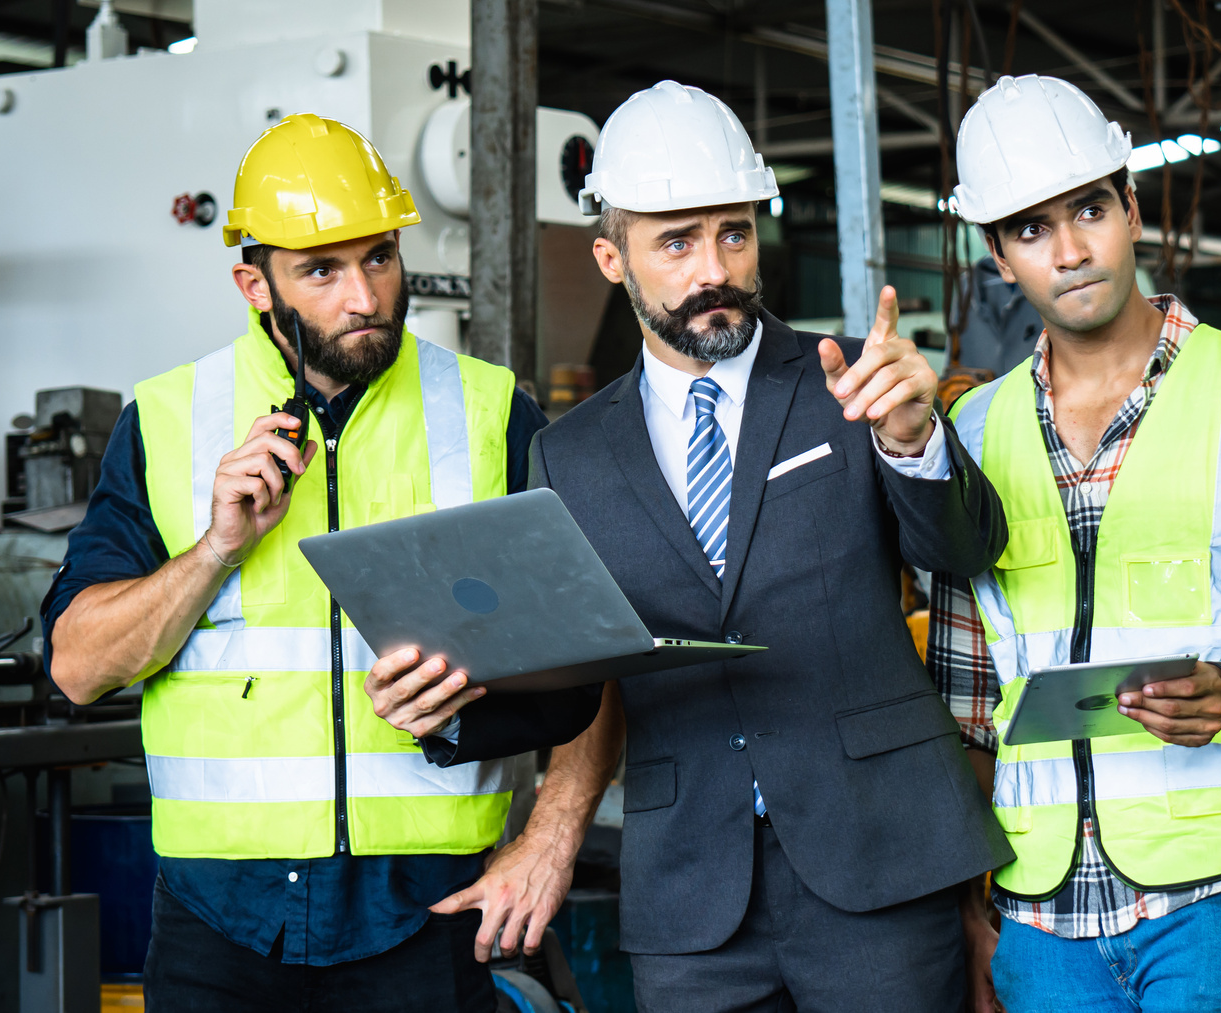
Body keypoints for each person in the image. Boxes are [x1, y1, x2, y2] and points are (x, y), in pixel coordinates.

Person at [422, 80, 1012, 1013]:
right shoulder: (568, 455)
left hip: (882, 868)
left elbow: (964, 554)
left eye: (733, 233)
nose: (715, 268)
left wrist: (913, 438)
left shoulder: (851, 381)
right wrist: (454, 701)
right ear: (612, 258)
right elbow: (575, 680)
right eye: (676, 242)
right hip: (692, 898)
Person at [44, 114, 600, 1012]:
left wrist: (550, 837)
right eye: (322, 270)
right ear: (253, 284)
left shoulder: (491, 413)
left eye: (379, 257)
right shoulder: (169, 419)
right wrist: (215, 550)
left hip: (432, 911)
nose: (364, 297)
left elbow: (601, 653)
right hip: (218, 923)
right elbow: (76, 667)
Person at [933, 75, 1221, 1013]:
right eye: (1030, 228)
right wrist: (965, 908)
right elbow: (969, 710)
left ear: (1132, 209)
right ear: (998, 258)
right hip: (1042, 918)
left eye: (1089, 208)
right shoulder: (971, 433)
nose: (1070, 250)